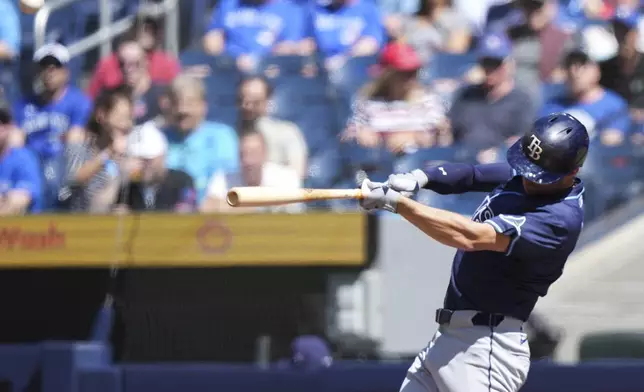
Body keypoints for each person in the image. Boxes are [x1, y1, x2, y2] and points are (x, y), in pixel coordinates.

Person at [358, 112, 589, 392]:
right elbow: (471, 175)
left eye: (538, 174)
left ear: (572, 171)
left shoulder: (559, 219)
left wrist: (399, 205)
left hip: (488, 346)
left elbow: (470, 236)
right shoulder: (526, 176)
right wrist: (417, 178)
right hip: (450, 337)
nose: (528, 178)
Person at [12, 43, 92, 210]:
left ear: (66, 71)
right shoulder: (24, 104)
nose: (50, 72)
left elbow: (76, 138)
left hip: (62, 161)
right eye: (44, 66)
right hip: (33, 161)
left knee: (54, 170)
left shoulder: (79, 102)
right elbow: (15, 140)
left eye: (55, 66)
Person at [343, 41, 449, 155]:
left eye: (414, 72)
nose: (411, 79)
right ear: (388, 74)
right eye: (404, 74)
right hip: (379, 162)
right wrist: (361, 134)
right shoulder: (368, 101)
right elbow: (349, 134)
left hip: (419, 165)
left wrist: (414, 137)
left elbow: (441, 136)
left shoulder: (429, 101)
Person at [448, 32, 534, 162]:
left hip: (500, 168)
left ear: (509, 64)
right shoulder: (466, 95)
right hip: (461, 162)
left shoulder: (521, 101)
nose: (490, 69)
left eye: (495, 63)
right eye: (486, 63)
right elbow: (450, 134)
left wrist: (500, 154)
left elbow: (522, 141)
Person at [162, 74, 238, 203]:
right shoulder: (160, 138)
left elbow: (229, 180)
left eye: (189, 103)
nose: (182, 110)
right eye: (176, 103)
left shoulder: (222, 136)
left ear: (203, 106)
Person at [59, 86, 136, 213]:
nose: (126, 125)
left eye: (129, 118)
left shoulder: (131, 149)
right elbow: (73, 179)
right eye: (121, 118)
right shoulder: (81, 145)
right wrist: (109, 153)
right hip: (83, 220)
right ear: (101, 116)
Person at [541, 48, 631, 146]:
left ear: (597, 71)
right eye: (569, 65)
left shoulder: (614, 107)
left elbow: (612, 143)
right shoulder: (553, 105)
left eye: (581, 66)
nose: (574, 72)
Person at [201, 129, 302, 213]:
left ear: (265, 154)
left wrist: (231, 207)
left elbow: (289, 210)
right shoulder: (223, 178)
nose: (248, 161)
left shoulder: (286, 177)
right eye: (243, 154)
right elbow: (207, 207)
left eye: (253, 154)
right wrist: (259, 208)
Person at [87, 18, 180, 99]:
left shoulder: (167, 63)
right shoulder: (108, 63)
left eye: (151, 30)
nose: (128, 69)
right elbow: (92, 97)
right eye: (122, 64)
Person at [115, 121, 196, 213]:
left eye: (148, 159)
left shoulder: (182, 181)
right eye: (138, 159)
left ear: (162, 157)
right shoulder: (129, 187)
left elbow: (185, 213)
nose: (143, 165)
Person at [238, 76, 308, 179]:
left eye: (255, 102)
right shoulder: (229, 133)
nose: (247, 106)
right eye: (242, 100)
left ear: (268, 101)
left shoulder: (287, 132)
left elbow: (298, 174)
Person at [203, 0, 303, 72]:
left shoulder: (291, 9)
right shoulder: (229, 3)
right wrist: (228, 61)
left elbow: (289, 46)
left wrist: (260, 63)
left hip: (269, 73)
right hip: (229, 69)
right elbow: (213, 37)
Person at [387, 0, 472, 62]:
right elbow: (399, 49)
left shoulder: (457, 20)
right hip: (410, 71)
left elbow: (455, 54)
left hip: (441, 77)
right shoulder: (409, 20)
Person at [0, 101, 42, 214]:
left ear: (10, 127)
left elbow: (23, 198)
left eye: (2, 122)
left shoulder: (24, 157)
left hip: (20, 228)